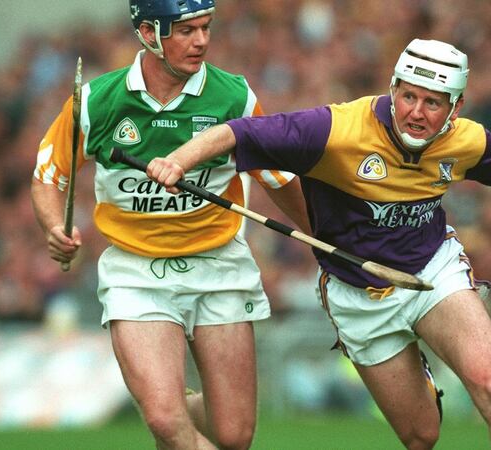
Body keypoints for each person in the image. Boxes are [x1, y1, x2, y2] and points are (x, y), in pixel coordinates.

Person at [146, 38, 491, 449]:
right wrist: (180, 161)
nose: (416, 112)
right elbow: (237, 132)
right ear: (393, 89)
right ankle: (192, 407)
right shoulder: (334, 130)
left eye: (433, 103)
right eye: (408, 96)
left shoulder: (466, 141)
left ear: (454, 108)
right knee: (421, 436)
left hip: (433, 272)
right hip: (358, 296)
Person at [31, 1, 308, 449]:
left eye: (206, 28)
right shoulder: (99, 100)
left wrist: (324, 242)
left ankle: (183, 411)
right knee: (164, 420)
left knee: (233, 435)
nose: (200, 41)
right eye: (185, 31)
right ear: (147, 33)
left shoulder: (234, 96)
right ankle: (172, 412)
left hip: (220, 266)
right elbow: (50, 175)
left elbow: (279, 178)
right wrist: (52, 226)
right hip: (136, 270)